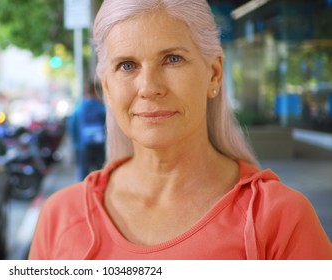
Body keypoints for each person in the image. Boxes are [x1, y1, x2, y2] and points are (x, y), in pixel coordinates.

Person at [29, 0, 332, 260]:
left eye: (172, 59)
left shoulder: (280, 220)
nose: (149, 88)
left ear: (214, 75)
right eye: (127, 66)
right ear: (107, 87)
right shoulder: (60, 217)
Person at [67, 83, 106, 181]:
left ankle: (84, 193)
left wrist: (76, 144)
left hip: (83, 145)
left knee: (83, 173)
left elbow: (72, 126)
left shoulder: (79, 107)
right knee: (99, 172)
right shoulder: (101, 107)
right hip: (99, 144)